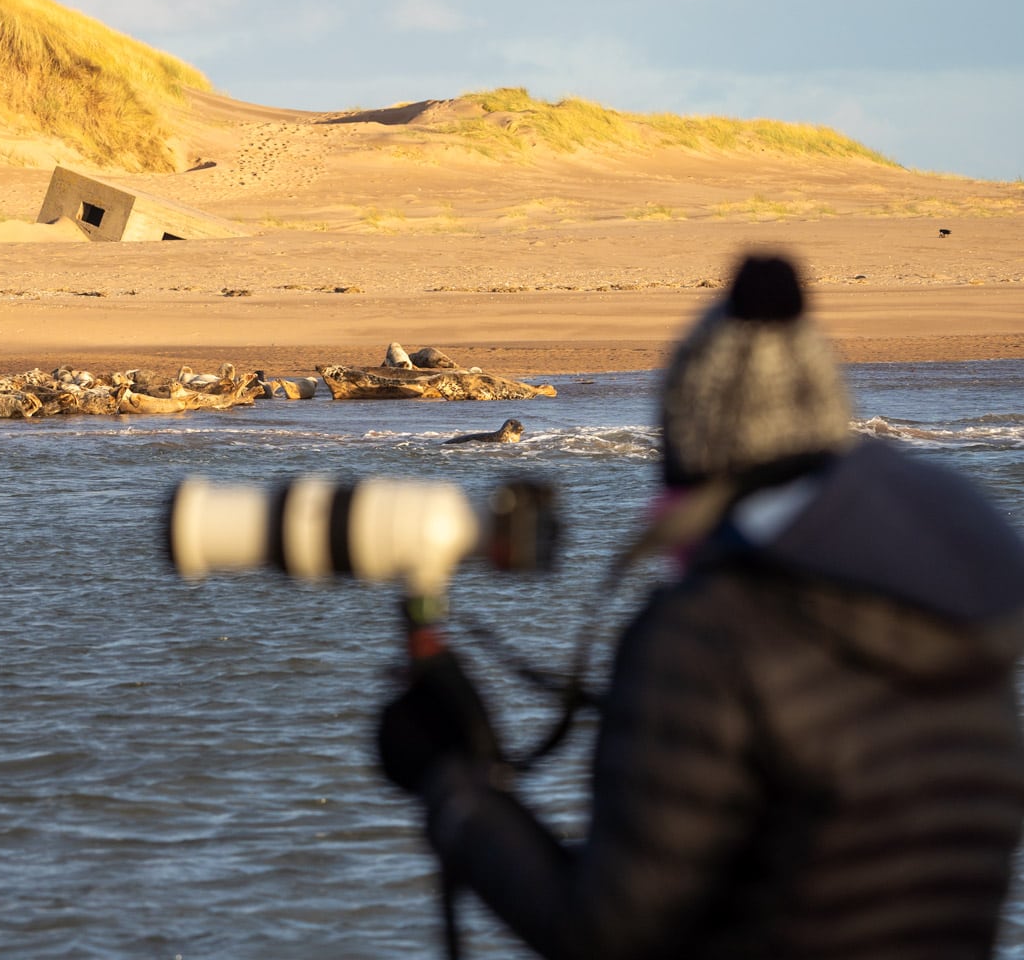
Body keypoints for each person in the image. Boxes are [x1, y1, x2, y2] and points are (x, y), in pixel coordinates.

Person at [378, 253, 1024, 959]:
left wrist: (456, 791)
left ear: (699, 458)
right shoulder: (965, 627)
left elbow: (606, 932)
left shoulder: (712, 636)